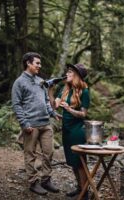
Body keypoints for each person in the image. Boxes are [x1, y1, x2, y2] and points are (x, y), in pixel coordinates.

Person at [11, 52, 59, 196]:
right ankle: (33, 182)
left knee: (49, 152)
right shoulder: (19, 82)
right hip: (30, 125)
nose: (40, 65)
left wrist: (52, 113)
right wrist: (24, 123)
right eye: (37, 63)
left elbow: (45, 100)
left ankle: (45, 180)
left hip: (45, 123)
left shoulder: (41, 81)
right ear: (28, 63)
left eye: (39, 63)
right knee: (30, 154)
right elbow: (16, 104)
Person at [50, 63, 90, 199]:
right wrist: (50, 90)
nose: (67, 74)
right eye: (67, 72)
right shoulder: (64, 89)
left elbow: (83, 114)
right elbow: (54, 106)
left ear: (77, 75)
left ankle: (85, 192)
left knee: (80, 163)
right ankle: (80, 188)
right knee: (72, 162)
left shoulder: (85, 91)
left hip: (78, 130)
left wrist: (69, 109)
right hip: (66, 130)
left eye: (70, 72)